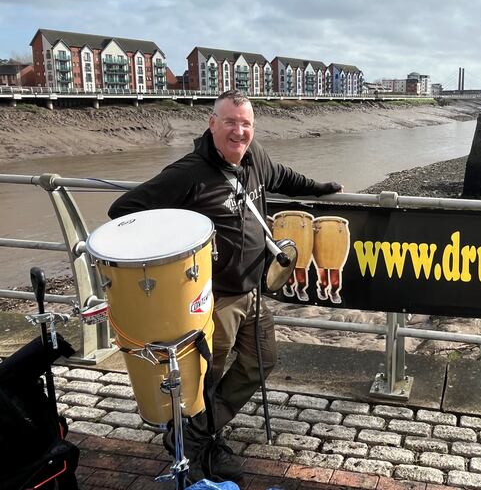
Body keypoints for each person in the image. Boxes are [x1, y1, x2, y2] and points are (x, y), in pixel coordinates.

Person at [108, 90, 342, 482]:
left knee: (261, 362)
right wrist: (178, 246)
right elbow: (124, 211)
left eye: (246, 123)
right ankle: (198, 446)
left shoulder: (256, 159)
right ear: (212, 123)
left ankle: (199, 432)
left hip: (253, 290)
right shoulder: (189, 173)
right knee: (205, 378)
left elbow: (283, 176)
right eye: (230, 122)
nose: (239, 131)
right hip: (210, 300)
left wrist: (319, 187)